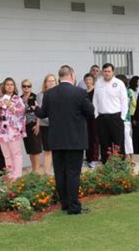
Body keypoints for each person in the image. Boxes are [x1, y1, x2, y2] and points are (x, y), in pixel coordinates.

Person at [34, 65, 94, 215]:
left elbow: (42, 113)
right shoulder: (80, 93)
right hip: (74, 139)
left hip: (56, 140)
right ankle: (74, 207)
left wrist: (35, 108)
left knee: (60, 173)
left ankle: (65, 204)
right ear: (72, 75)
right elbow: (91, 112)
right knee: (73, 173)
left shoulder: (49, 94)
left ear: (59, 76)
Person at [0, 78, 26, 179]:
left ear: (14, 87)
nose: (9, 86)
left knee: (16, 154)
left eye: (11, 84)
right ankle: (10, 176)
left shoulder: (18, 99)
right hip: (1, 132)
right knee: (6, 155)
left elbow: (22, 113)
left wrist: (12, 106)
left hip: (13, 132)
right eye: (7, 85)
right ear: (4, 87)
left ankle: (17, 177)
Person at [92, 63, 128, 163]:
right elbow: (95, 100)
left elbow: (124, 100)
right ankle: (105, 165)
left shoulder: (119, 83)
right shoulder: (98, 83)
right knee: (104, 143)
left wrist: (123, 116)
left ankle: (120, 166)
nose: (107, 73)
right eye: (105, 71)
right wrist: (96, 115)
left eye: (109, 71)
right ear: (102, 72)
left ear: (113, 72)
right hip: (102, 118)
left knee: (118, 143)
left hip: (116, 117)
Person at [36, 74, 58, 174]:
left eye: (53, 81)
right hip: (46, 126)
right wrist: (53, 121)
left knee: (58, 151)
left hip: (59, 127)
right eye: (48, 81)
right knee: (48, 151)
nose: (51, 83)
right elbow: (41, 112)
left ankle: (58, 173)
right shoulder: (40, 95)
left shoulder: (60, 94)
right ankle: (47, 174)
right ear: (45, 83)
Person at [20, 79, 42, 173]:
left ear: (31, 87)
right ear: (21, 87)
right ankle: (33, 170)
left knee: (36, 148)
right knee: (29, 148)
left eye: (28, 86)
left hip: (33, 123)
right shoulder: (20, 98)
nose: (26, 88)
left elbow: (39, 111)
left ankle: (36, 171)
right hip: (24, 126)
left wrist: (38, 125)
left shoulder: (34, 97)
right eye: (24, 86)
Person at [116, 74, 136, 161]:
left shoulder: (128, 91)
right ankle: (123, 156)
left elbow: (134, 104)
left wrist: (130, 114)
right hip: (117, 118)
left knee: (127, 137)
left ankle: (130, 157)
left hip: (125, 118)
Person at [84, 73, 100, 168]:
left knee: (95, 137)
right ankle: (88, 158)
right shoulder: (83, 92)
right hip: (86, 117)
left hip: (94, 117)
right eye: (86, 80)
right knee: (87, 137)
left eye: (90, 79)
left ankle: (94, 159)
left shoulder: (96, 91)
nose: (88, 81)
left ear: (93, 81)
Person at [129, 76, 139, 154]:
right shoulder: (130, 91)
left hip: (138, 113)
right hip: (133, 114)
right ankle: (136, 149)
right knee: (135, 133)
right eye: (138, 81)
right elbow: (134, 103)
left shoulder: (137, 91)